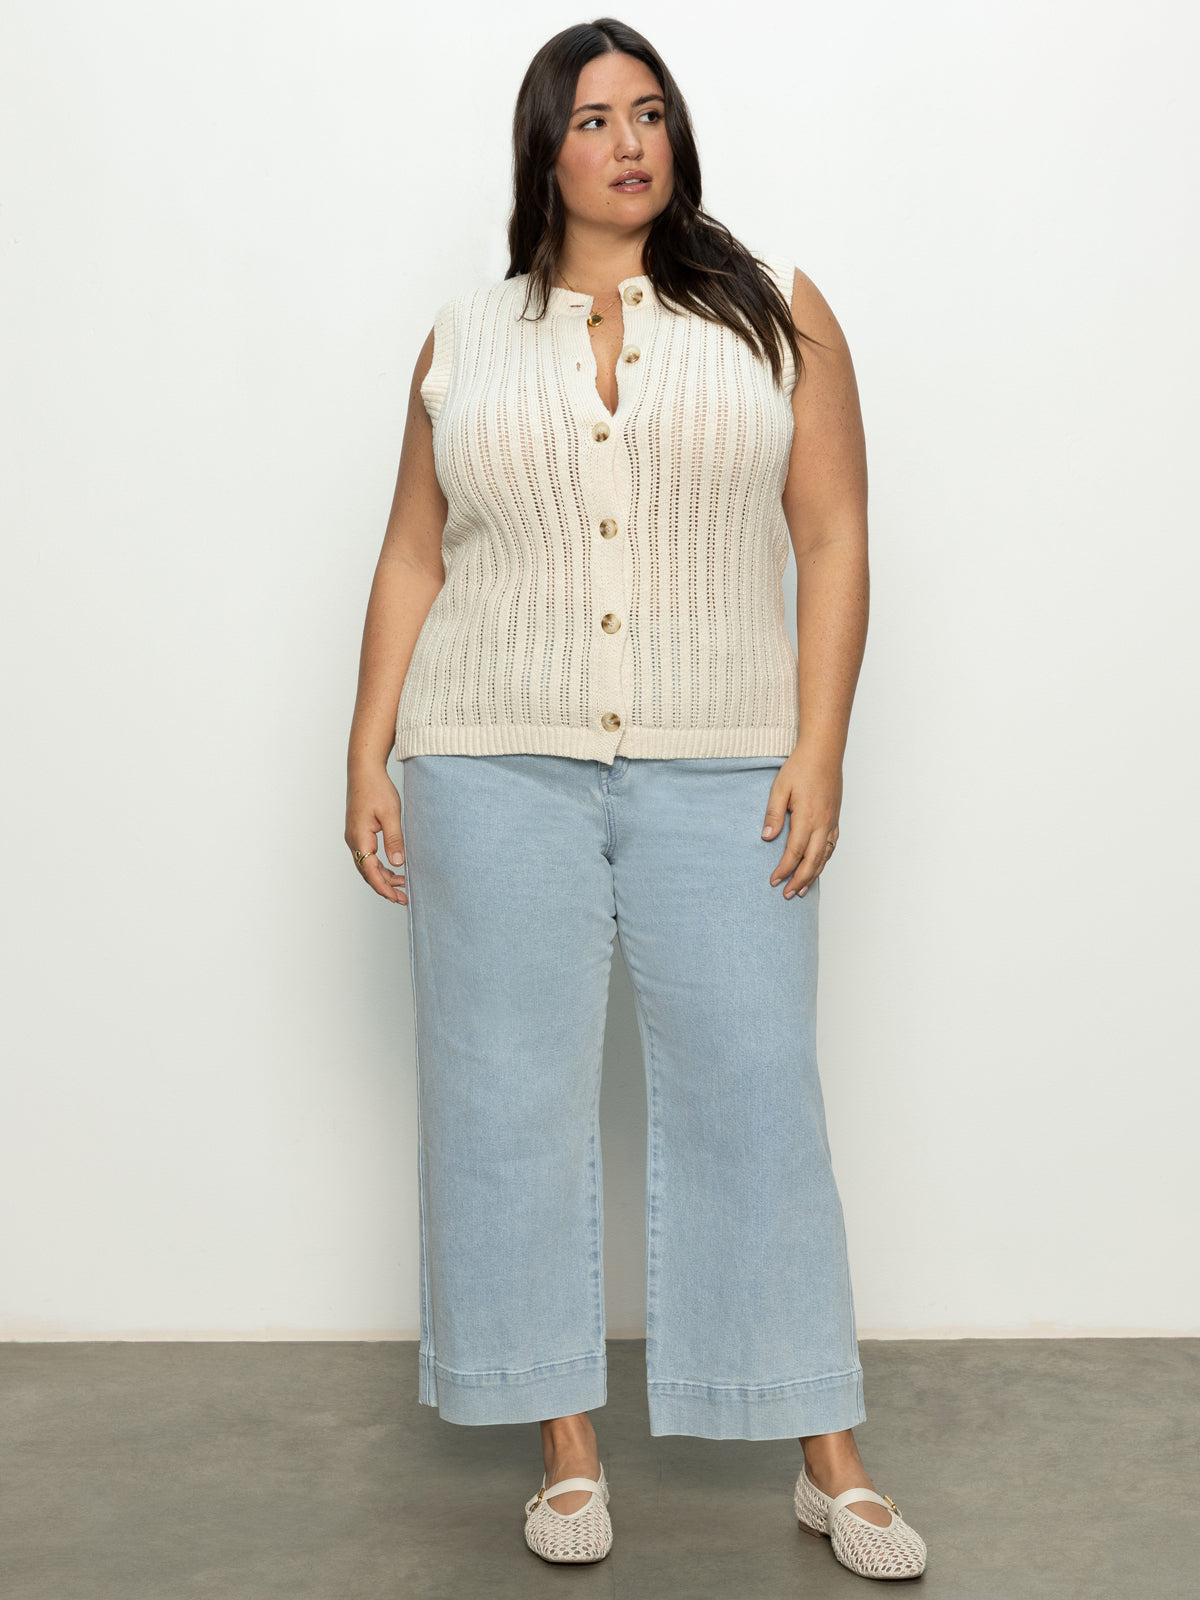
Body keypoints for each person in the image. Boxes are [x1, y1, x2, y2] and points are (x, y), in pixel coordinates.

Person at [344, 16, 927, 1585]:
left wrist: (822, 747)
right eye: (594, 116)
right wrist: (367, 748)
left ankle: (824, 1447)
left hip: (723, 754)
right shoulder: (466, 338)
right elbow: (416, 550)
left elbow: (834, 536)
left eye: (650, 112)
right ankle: (565, 1445)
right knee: (505, 1101)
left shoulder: (778, 315)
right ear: (545, 150)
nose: (628, 139)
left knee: (754, 1087)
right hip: (487, 756)